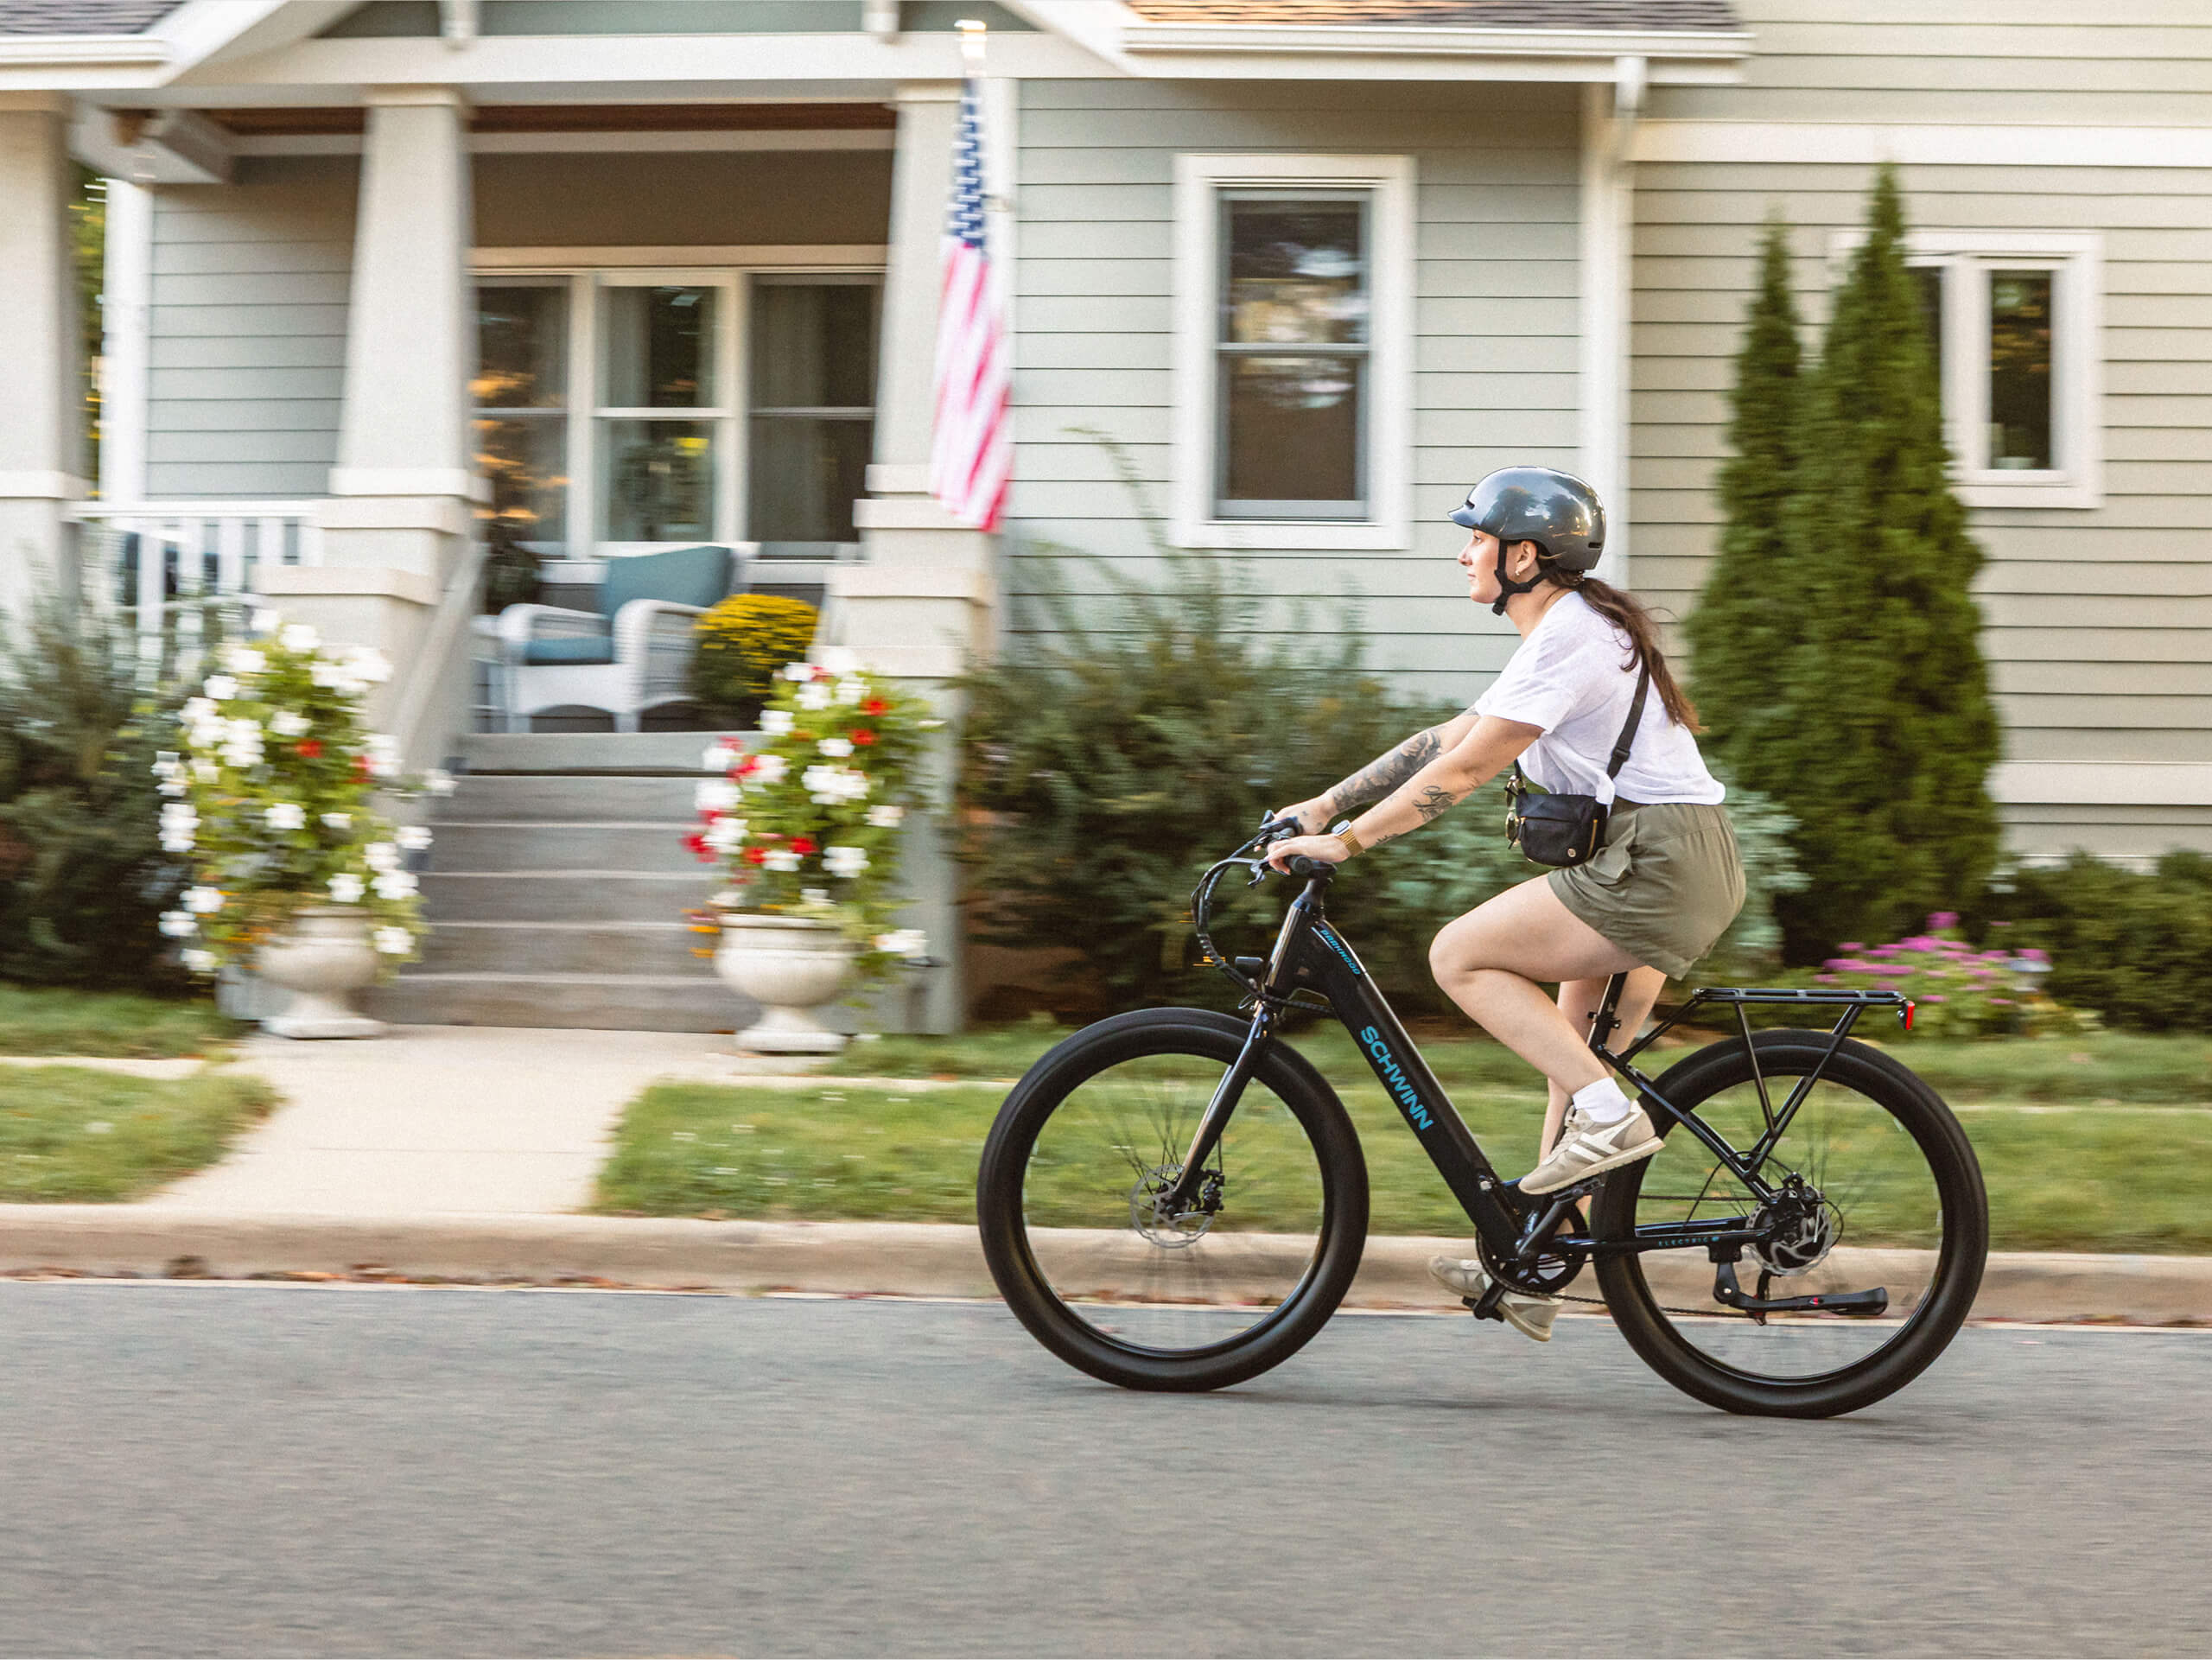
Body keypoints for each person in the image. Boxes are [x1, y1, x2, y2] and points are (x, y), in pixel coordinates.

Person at [1264, 467, 1745, 1342]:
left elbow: (1471, 769)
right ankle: (1537, 1259)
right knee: (1576, 1062)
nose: (1463, 553)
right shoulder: (1566, 632)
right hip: (1678, 858)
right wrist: (1324, 807)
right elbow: (1442, 739)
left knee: (1460, 955)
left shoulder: (1571, 637)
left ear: (1524, 556)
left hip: (1655, 860)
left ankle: (1610, 1120)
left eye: (1476, 539)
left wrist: (1350, 844)